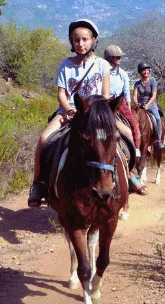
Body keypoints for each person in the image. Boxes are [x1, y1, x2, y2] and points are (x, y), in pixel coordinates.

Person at [28, 19, 111, 208]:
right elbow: (61, 94)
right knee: (43, 138)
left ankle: (129, 175)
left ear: (93, 39)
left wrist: (94, 114)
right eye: (76, 40)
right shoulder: (66, 65)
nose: (80, 44)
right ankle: (38, 183)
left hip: (96, 116)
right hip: (69, 112)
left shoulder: (102, 65)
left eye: (84, 39)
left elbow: (105, 95)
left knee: (125, 135)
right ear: (72, 42)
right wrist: (70, 110)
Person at [105, 45, 149, 195]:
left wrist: (128, 110)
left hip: (120, 103)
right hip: (104, 104)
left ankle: (132, 164)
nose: (120, 59)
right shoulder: (102, 72)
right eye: (118, 57)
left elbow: (126, 94)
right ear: (110, 58)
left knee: (132, 128)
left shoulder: (122, 74)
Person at [132, 62, 165, 150]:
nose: (146, 72)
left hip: (150, 104)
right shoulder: (137, 84)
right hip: (140, 104)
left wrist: (147, 105)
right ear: (140, 72)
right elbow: (134, 95)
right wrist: (136, 103)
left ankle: (158, 139)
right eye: (144, 70)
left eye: (147, 70)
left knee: (158, 118)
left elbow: (154, 96)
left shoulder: (152, 81)